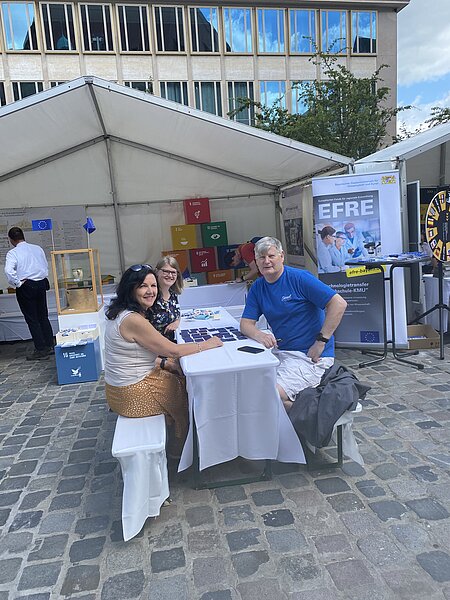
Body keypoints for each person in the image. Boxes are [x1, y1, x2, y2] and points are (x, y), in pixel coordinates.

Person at [104, 264, 223, 451]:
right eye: (143, 286)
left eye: (153, 286)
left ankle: (180, 437)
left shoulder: (122, 313)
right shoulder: (133, 320)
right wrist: (207, 344)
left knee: (179, 374)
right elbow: (173, 350)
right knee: (186, 391)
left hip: (118, 390)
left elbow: (134, 355)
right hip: (132, 394)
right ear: (130, 289)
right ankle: (180, 449)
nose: (150, 291)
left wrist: (165, 364)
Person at [240, 237, 347, 413]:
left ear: (281, 256)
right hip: (281, 353)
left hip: (309, 357)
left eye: (271, 256)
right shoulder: (258, 287)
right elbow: (245, 324)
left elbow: (338, 304)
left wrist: (321, 342)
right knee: (247, 388)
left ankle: (322, 416)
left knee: (268, 395)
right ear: (256, 261)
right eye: (261, 257)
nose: (267, 261)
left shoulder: (299, 278)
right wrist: (260, 335)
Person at [4, 227, 54, 361]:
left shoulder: (13, 253)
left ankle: (41, 349)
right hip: (41, 283)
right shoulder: (37, 248)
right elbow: (45, 265)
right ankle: (50, 345)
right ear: (23, 236)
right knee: (43, 316)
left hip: (26, 286)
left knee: (32, 319)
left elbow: (9, 271)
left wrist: (17, 283)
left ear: (11, 240)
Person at [147, 256, 183, 342]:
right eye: (166, 271)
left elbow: (177, 314)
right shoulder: (150, 296)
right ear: (157, 272)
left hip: (172, 344)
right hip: (155, 346)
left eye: (173, 272)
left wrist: (176, 322)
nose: (170, 275)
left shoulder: (173, 294)